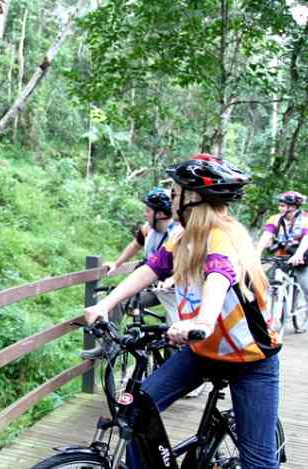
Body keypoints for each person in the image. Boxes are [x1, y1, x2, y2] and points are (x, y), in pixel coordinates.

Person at [85, 154, 281, 469]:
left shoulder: (223, 237)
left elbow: (219, 277)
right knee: (137, 411)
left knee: (258, 462)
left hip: (251, 362)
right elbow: (150, 270)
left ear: (193, 199)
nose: (172, 200)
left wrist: (202, 320)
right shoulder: (182, 236)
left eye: (176, 194)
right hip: (203, 351)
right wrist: (104, 305)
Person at [104, 187, 183, 325]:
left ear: (159, 214)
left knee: (174, 322)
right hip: (149, 280)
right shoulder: (148, 228)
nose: (145, 214)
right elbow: (135, 245)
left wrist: (172, 279)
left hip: (171, 286)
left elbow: (189, 263)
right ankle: (111, 345)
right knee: (117, 302)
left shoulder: (179, 233)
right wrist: (116, 264)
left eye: (148, 211)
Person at [255, 191, 308, 310]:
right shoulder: (275, 219)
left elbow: (306, 238)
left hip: (302, 257)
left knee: (306, 286)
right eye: (280, 205)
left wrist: (298, 254)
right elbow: (266, 236)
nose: (280, 208)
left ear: (293, 207)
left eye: (283, 206)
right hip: (282, 256)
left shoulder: (305, 219)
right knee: (268, 282)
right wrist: (256, 253)